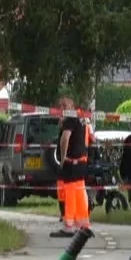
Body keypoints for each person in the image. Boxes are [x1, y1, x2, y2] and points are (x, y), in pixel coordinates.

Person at [53, 98, 92, 238]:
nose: (62, 108)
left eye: (64, 105)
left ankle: (68, 226)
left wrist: (63, 158)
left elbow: (65, 139)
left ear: (71, 106)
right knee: (79, 193)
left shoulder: (71, 117)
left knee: (68, 193)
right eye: (60, 106)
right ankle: (83, 225)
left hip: (71, 163)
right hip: (81, 162)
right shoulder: (81, 118)